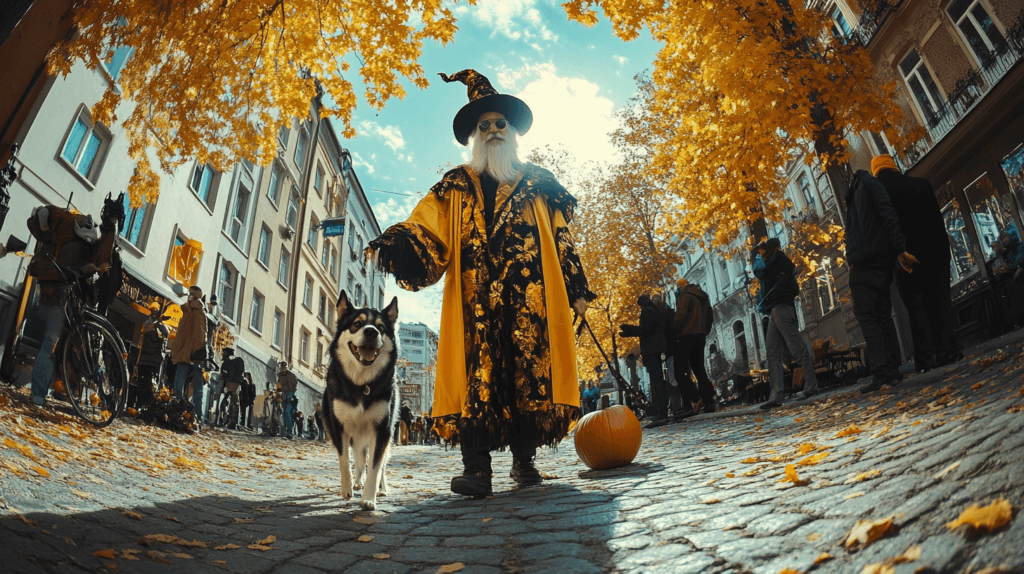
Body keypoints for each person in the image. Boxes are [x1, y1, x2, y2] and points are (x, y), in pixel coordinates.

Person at [368, 69, 595, 497]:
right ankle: (477, 468)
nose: (492, 130)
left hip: (531, 299)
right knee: (477, 378)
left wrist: (578, 289)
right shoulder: (456, 184)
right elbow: (428, 224)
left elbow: (562, 236)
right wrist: (402, 241)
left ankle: (524, 462)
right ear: (475, 135)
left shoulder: (540, 183)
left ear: (512, 132)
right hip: (474, 303)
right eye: (484, 125)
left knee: (527, 375)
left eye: (499, 124)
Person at [872, 155, 961, 372]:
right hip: (935, 253)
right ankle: (947, 350)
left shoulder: (879, 195)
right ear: (894, 166)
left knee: (916, 309)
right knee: (940, 303)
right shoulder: (921, 184)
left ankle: (924, 360)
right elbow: (938, 223)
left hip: (905, 260)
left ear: (876, 173)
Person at [844, 167, 919, 394]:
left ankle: (883, 371)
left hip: (869, 262)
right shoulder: (858, 190)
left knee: (869, 317)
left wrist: (899, 248)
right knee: (881, 316)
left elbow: (887, 212)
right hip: (872, 260)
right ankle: (890, 370)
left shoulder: (866, 184)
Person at [25, 206, 109, 406]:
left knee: (50, 344)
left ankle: (50, 388)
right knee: (51, 345)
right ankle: (38, 393)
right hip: (61, 300)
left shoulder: (55, 241)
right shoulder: (76, 246)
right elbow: (76, 273)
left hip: (44, 295)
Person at [752, 238, 819, 409]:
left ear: (770, 250)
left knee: (796, 347)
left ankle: (811, 386)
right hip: (775, 309)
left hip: (782, 307)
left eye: (762, 251)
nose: (760, 254)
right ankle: (776, 396)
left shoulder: (778, 262)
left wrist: (759, 260)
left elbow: (760, 273)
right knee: (772, 351)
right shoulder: (775, 262)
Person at [619, 295, 670, 428]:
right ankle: (661, 410)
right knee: (657, 380)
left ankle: (662, 412)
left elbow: (646, 330)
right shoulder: (653, 309)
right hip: (654, 349)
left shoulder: (648, 310)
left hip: (652, 350)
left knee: (656, 381)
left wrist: (630, 330)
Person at [672, 279, 717, 413]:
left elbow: (680, 316)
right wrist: (705, 330)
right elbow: (710, 315)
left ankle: (696, 398)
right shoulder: (702, 296)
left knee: (680, 371)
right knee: (699, 369)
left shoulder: (684, 297)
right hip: (700, 335)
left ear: (680, 287)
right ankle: (709, 400)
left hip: (686, 335)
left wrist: (672, 329)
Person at [169, 285, 208, 425]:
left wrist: (190, 351)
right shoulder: (191, 311)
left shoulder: (195, 312)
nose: (188, 295)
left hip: (190, 354)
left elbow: (198, 335)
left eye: (191, 294)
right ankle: (196, 416)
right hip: (192, 354)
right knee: (195, 388)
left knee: (184, 386)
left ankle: (179, 412)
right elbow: (200, 335)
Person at [134, 302, 170, 409]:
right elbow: (142, 333)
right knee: (144, 383)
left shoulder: (161, 326)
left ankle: (144, 405)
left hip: (151, 361)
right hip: (146, 360)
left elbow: (166, 333)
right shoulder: (148, 324)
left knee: (147, 383)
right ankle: (141, 405)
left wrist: (159, 324)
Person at [219, 348, 245, 429]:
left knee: (229, 400)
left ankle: (226, 419)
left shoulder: (226, 362)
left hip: (229, 382)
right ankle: (233, 420)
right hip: (236, 382)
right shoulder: (239, 360)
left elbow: (223, 374)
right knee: (234, 401)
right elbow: (241, 372)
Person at [276, 361, 298, 438]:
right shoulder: (280, 375)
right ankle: (283, 431)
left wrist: (286, 390)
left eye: (283, 367)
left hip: (289, 397)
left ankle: (289, 431)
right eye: (282, 367)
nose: (283, 368)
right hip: (283, 396)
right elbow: (278, 388)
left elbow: (294, 387)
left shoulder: (291, 375)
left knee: (288, 413)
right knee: (282, 413)